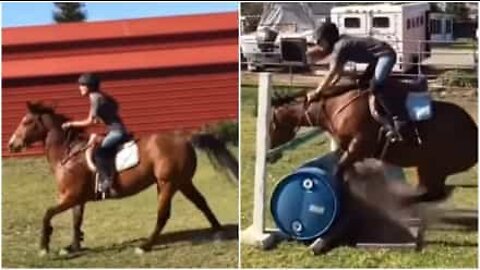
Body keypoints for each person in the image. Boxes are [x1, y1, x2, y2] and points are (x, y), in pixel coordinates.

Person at [306, 22, 404, 141]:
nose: (318, 45)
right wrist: (327, 88)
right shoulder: (339, 45)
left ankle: (397, 118)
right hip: (376, 59)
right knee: (362, 85)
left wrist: (317, 92)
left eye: (320, 41)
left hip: (385, 56)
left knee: (375, 86)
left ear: (328, 38)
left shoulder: (340, 46)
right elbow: (338, 74)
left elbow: (332, 73)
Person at [62, 73, 129, 195]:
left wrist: (71, 124)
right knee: (93, 142)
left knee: (100, 153)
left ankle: (107, 182)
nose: (80, 87)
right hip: (114, 130)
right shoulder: (100, 96)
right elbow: (115, 107)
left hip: (117, 132)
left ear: (89, 86)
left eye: (82, 85)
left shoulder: (95, 97)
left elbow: (89, 121)